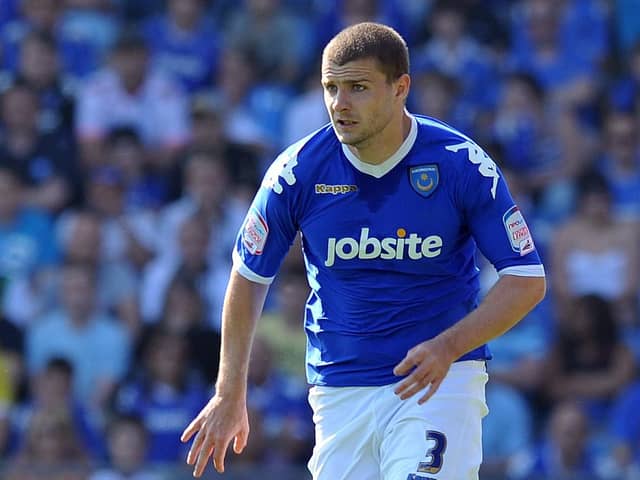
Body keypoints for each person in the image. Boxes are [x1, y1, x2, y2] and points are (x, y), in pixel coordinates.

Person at [181, 22, 546, 480]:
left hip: (437, 384)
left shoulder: (459, 163)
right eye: (330, 88)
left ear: (400, 88)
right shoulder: (297, 173)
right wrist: (229, 390)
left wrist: (449, 346)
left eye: (357, 87)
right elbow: (248, 277)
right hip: (340, 391)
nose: (340, 104)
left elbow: (527, 279)